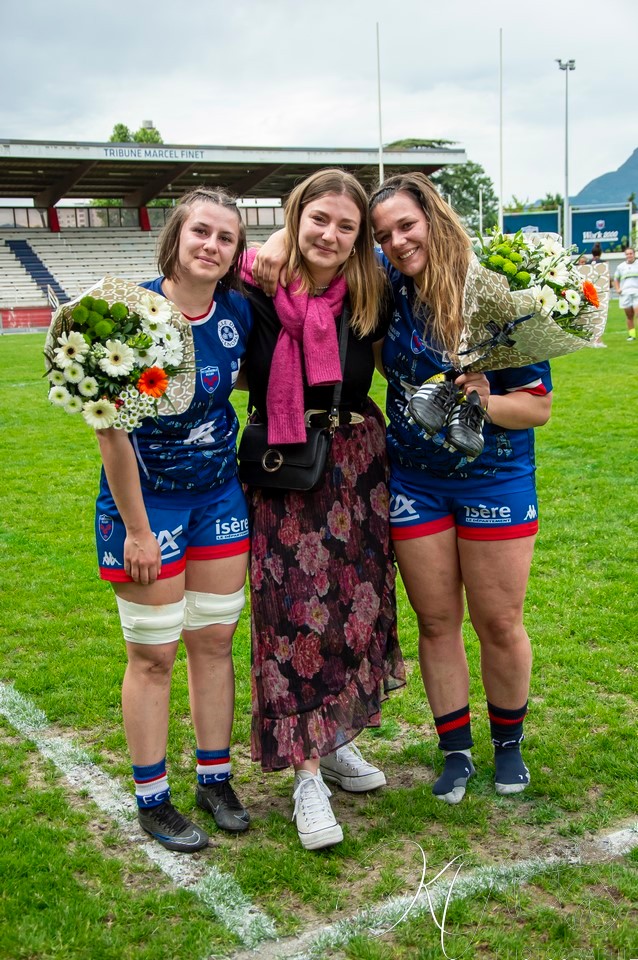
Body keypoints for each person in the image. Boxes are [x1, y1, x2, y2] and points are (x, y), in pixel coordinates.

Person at [367, 173, 552, 803]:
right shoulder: (388, 287)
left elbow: (537, 409)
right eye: (384, 234)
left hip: (495, 477)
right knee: (438, 621)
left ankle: (508, 747)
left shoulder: (492, 292)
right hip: (415, 481)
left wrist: (482, 398)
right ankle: (455, 752)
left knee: (498, 622)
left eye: (406, 226)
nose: (396, 241)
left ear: (433, 219)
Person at [241, 169, 405, 851]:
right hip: (284, 463)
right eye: (318, 220)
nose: (330, 235)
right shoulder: (256, 283)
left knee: (351, 610)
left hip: (356, 464)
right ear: (295, 217)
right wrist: (275, 241)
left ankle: (334, 742)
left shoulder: (369, 292)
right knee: (291, 616)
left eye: (346, 225)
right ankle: (305, 776)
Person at [94, 188, 253, 851]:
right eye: (202, 232)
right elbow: (111, 434)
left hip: (219, 497)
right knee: (153, 653)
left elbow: (233, 385)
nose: (212, 245)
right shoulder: (129, 315)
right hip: (146, 505)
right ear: (177, 237)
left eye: (226, 238)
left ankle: (214, 777)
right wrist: (135, 528)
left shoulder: (237, 312)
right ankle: (152, 796)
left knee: (214, 642)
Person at [614, 247, 638, 341]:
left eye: (631, 253)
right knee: (629, 315)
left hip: (636, 291)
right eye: (627, 254)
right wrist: (618, 288)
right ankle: (632, 335)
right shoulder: (621, 267)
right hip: (625, 293)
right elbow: (616, 279)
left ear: (634, 254)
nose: (629, 255)